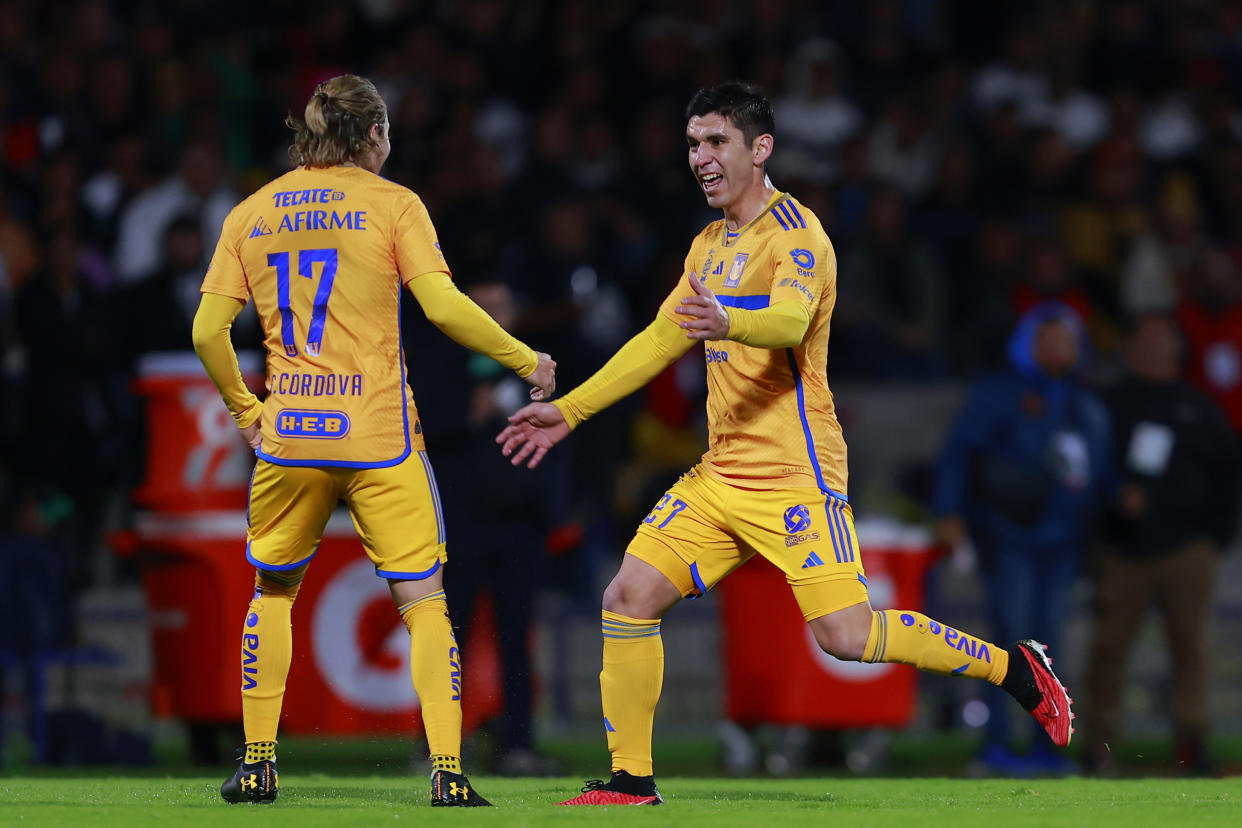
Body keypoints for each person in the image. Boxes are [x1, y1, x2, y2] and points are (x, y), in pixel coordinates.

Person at [497, 83, 1074, 806]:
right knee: (628, 596)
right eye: (692, 144)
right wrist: (571, 412)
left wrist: (729, 322)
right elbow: (655, 341)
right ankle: (630, 781)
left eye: (715, 143)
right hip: (720, 474)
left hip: (794, 473)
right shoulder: (708, 245)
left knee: (847, 636)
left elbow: (791, 322)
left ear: (759, 148)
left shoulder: (796, 234)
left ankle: (1014, 669)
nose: (700, 158)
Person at [191, 74, 555, 807]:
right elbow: (445, 306)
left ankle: (258, 763)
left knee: (274, 593)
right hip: (379, 436)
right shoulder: (394, 205)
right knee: (424, 603)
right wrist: (525, 358)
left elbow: (206, 332)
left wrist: (244, 411)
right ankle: (448, 774)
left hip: (289, 435)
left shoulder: (252, 212)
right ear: (374, 137)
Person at [934, 302, 1112, 774]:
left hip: (1063, 544)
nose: (1060, 347)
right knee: (1011, 645)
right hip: (1010, 538)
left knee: (1050, 645)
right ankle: (996, 747)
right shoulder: (1000, 393)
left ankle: (1045, 749)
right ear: (1027, 344)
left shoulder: (1084, 404)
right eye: (1048, 337)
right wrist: (950, 512)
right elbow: (959, 454)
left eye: (1068, 339)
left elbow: (1099, 479)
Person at [1085, 313, 1239, 775]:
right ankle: (1100, 747)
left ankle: (1192, 744)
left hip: (1186, 550)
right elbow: (1087, 469)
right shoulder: (1107, 405)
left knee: (1190, 648)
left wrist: (1215, 536)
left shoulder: (1200, 406)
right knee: (1108, 649)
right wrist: (1112, 507)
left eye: (1163, 340)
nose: (1155, 349)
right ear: (1129, 349)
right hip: (1122, 552)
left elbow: (1229, 473)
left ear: (1178, 350)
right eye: (1146, 340)